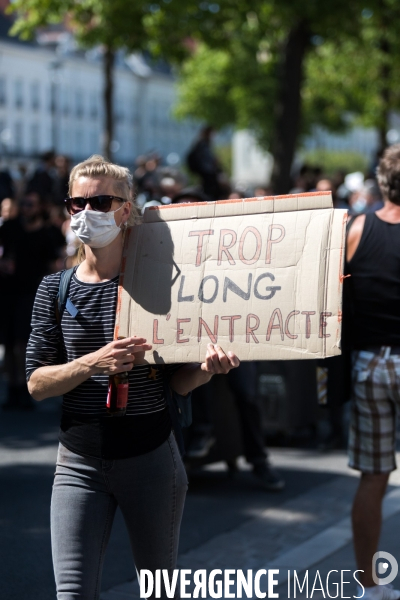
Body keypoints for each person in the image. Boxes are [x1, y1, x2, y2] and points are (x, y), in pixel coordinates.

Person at [25, 155, 239, 600]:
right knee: (72, 593)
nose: (87, 213)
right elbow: (36, 382)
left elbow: (177, 385)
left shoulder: (161, 285)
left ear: (126, 209)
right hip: (78, 464)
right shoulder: (54, 288)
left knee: (159, 591)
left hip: (151, 460)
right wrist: (92, 363)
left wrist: (207, 369)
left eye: (100, 201)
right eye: (76, 203)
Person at [346, 144, 400, 600]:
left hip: (369, 363)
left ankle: (369, 585)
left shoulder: (357, 229)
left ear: (382, 183)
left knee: (373, 477)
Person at [0, 190, 62, 409]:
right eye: (23, 204)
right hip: (8, 292)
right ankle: (13, 388)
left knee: (24, 344)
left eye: (30, 205)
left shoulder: (46, 233)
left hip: (32, 295)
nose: (26, 208)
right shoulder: (9, 228)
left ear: (38, 207)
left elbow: (56, 264)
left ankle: (27, 387)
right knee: (8, 343)